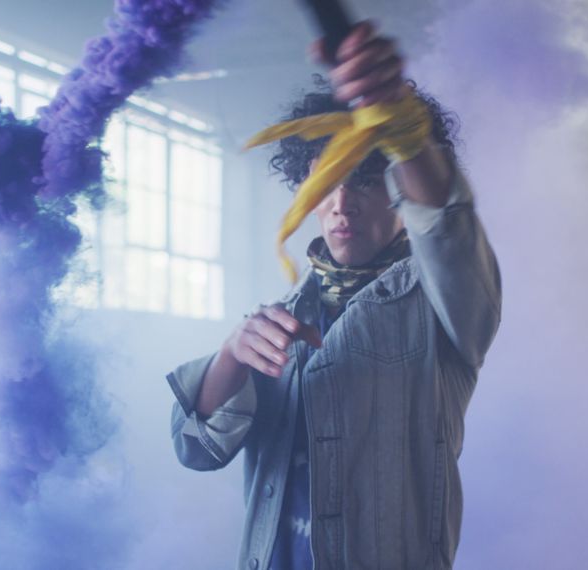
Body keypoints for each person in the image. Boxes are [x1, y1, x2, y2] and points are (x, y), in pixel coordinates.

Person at [165, 21, 501, 570]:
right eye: (328, 183)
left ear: (397, 196)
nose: (343, 205)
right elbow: (196, 450)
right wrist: (231, 355)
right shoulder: (281, 320)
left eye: (366, 180)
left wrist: (403, 129)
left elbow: (447, 223)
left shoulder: (445, 309)